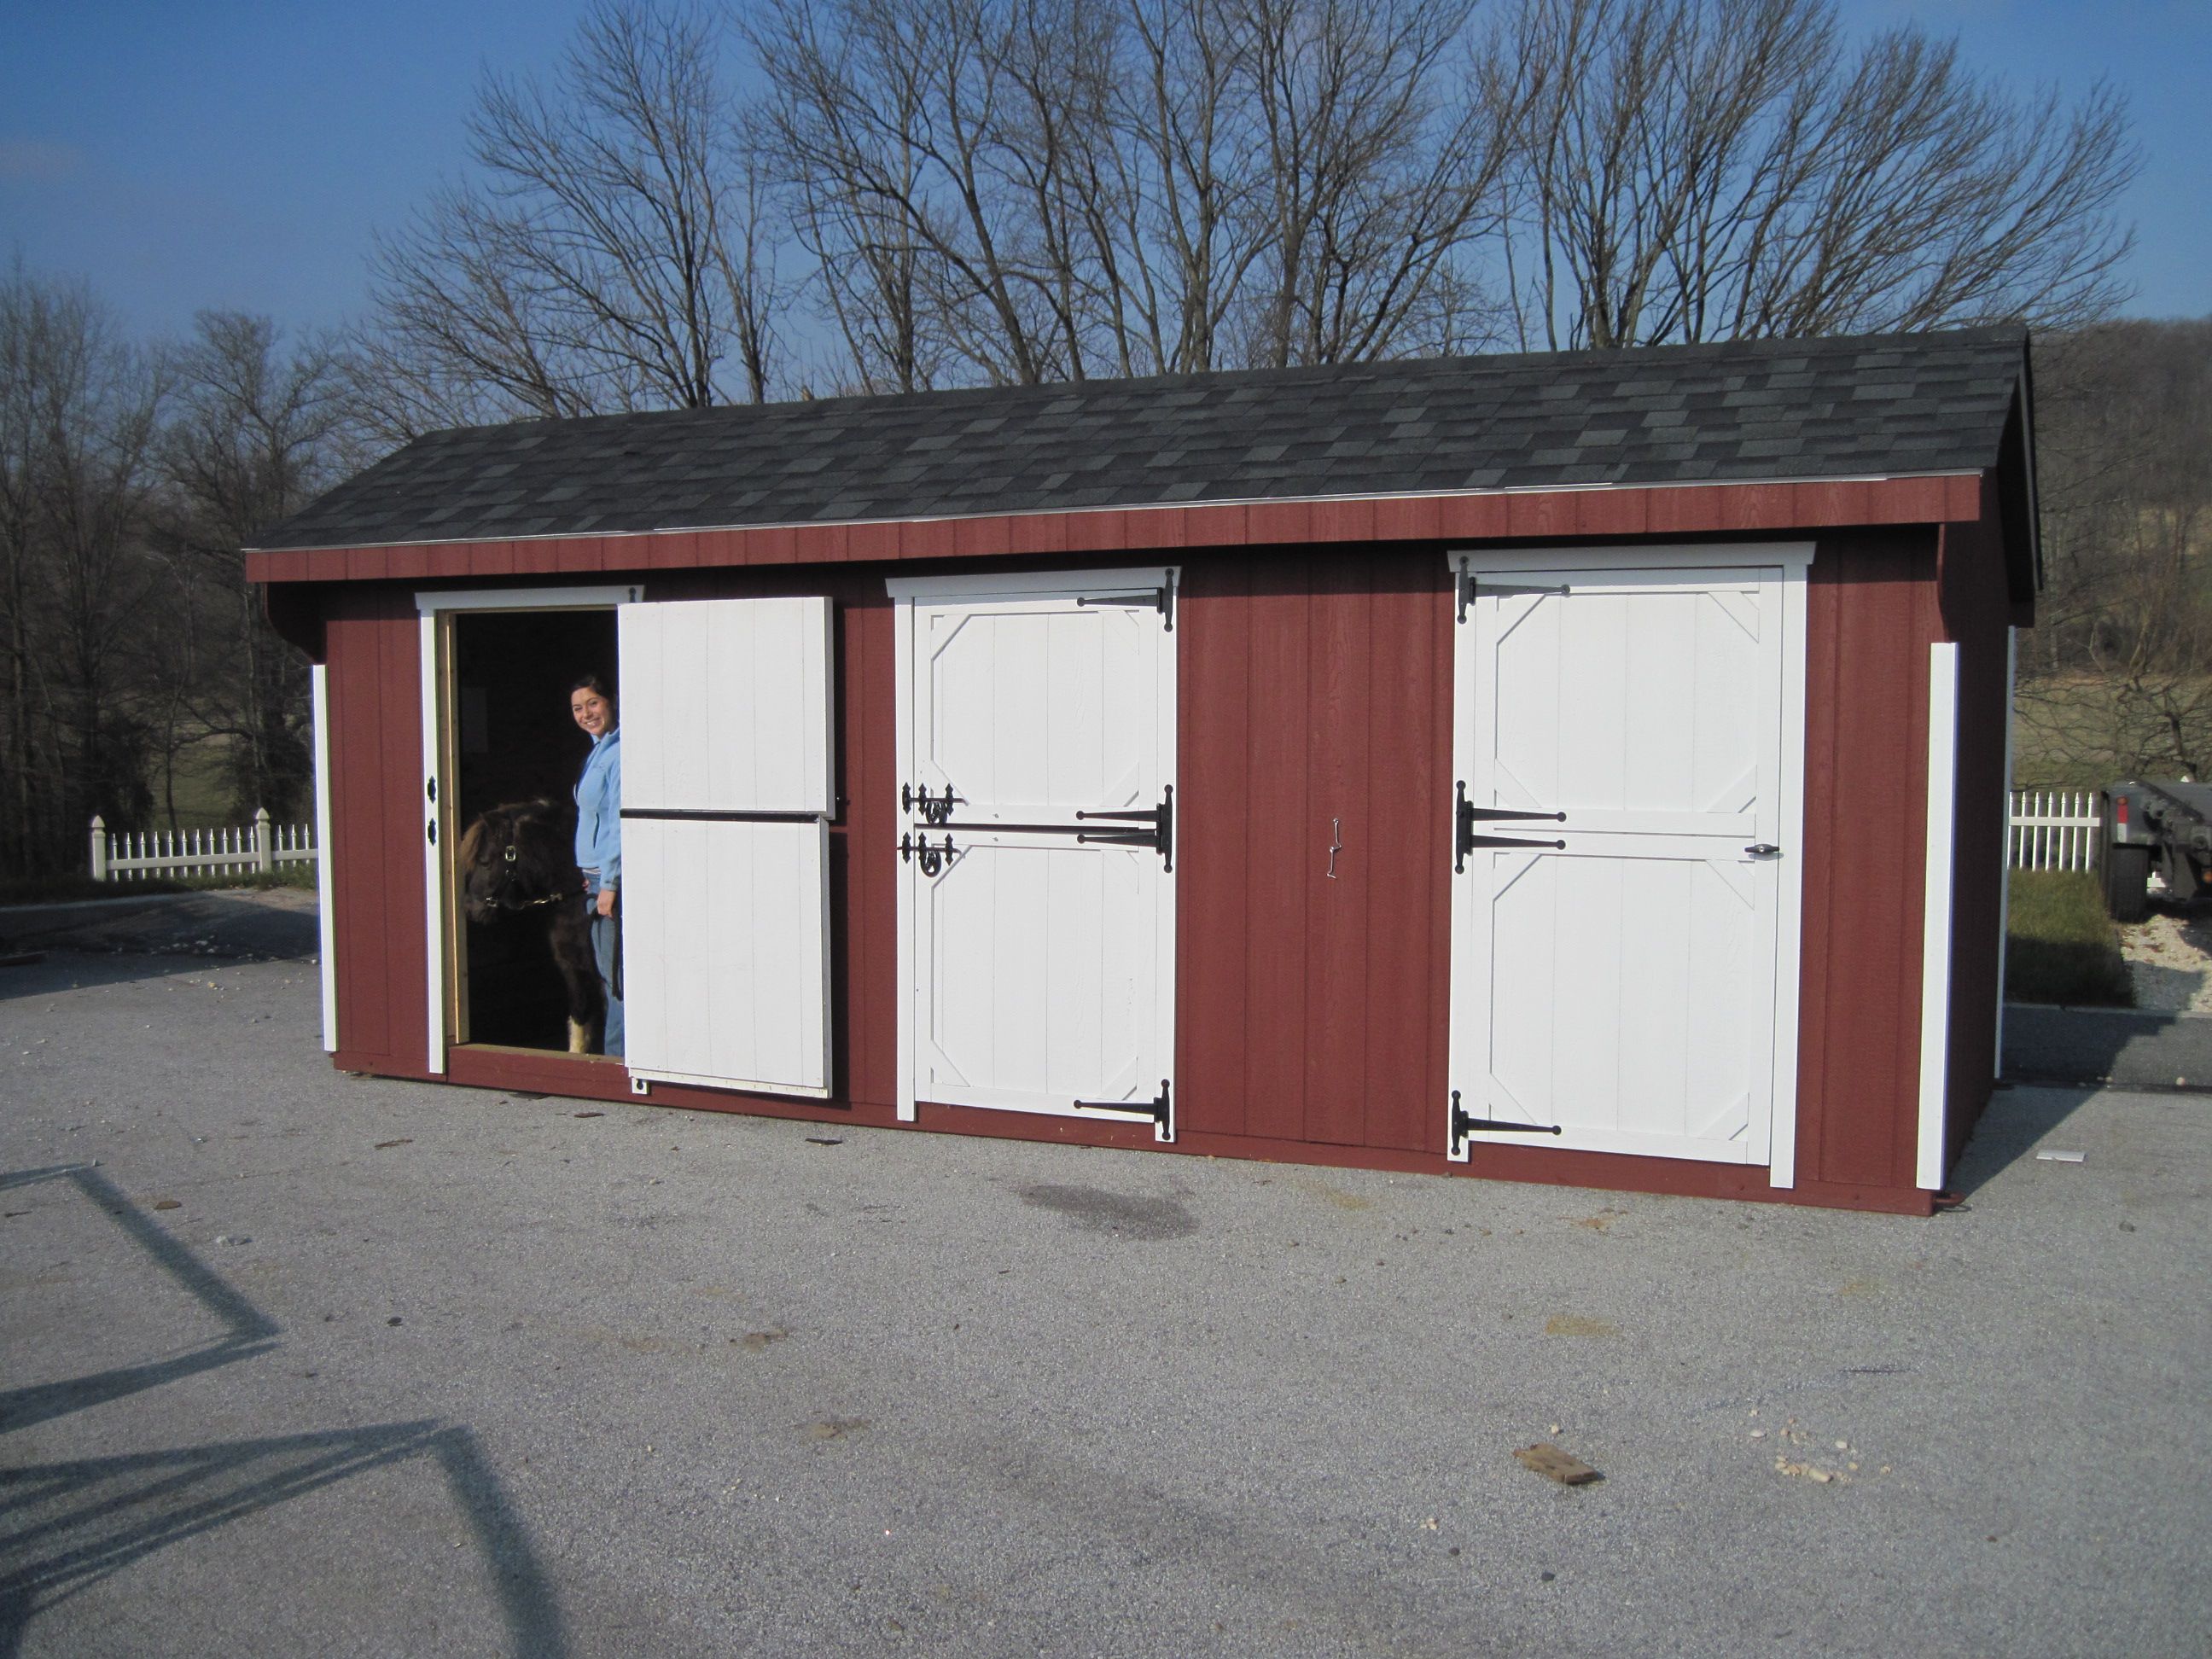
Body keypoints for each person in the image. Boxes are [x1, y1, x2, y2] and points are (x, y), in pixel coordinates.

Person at [570, 672, 623, 1057]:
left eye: (593, 703)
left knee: (616, 978)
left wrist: (611, 881)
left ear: (611, 702)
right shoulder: (598, 749)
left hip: (607, 880)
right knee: (609, 974)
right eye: (577, 707)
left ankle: (619, 1060)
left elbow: (621, 819)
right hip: (592, 877)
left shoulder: (618, 752)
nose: (586, 713)